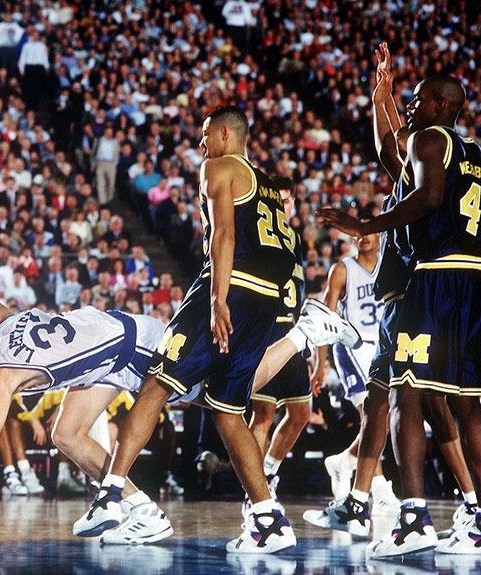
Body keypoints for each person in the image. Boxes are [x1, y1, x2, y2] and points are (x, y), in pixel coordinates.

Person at [78, 107, 352, 553]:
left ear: (226, 134)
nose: (200, 145)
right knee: (226, 410)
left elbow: (223, 235)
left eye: (206, 135)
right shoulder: (267, 185)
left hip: (232, 287)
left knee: (157, 383)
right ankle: (269, 519)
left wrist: (218, 299)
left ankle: (110, 494)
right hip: (270, 302)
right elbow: (287, 254)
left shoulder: (218, 166)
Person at [0, 282, 351, 539]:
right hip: (105, 355)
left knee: (226, 392)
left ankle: (307, 331)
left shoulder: (1, 377)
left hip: (131, 346)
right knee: (66, 435)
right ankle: (143, 510)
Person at [305, 42, 478, 541]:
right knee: (397, 395)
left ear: (440, 107)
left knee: (416, 398)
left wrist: (364, 222)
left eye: (418, 98)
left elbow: (426, 195)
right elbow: (391, 151)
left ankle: (424, 513)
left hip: (426, 282)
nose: (410, 106)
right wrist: (380, 95)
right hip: (459, 283)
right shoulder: (464, 152)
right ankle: (361, 499)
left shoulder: (430, 144)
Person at [310, 227, 399, 511]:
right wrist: (319, 365)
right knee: (373, 418)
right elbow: (326, 317)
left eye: (369, 231)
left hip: (380, 348)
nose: (364, 236)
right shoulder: (342, 269)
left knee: (378, 420)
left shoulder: (389, 265)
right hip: (351, 347)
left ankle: (344, 460)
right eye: (358, 232)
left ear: (380, 235)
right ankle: (379, 488)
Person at [246, 183, 311, 514]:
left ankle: (268, 470)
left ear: (294, 203)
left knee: (301, 413)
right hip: (267, 335)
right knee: (264, 413)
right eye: (279, 201)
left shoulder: (297, 240)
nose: (283, 205)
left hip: (294, 333)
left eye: (287, 200)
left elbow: (300, 292)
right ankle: (253, 492)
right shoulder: (261, 233)